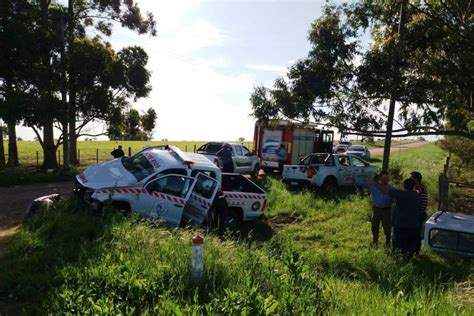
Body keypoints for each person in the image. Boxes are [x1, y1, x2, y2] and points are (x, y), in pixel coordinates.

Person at [376, 178, 422, 258]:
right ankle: (409, 257)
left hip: (401, 224)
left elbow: (385, 190)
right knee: (410, 244)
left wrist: (374, 183)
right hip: (413, 224)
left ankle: (398, 257)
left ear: (404, 186)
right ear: (413, 186)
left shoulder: (400, 193)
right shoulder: (417, 195)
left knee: (398, 244)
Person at [356, 172, 393, 247]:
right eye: (384, 178)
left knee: (387, 227)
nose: (386, 180)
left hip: (387, 210)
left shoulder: (390, 188)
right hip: (376, 209)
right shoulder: (373, 186)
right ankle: (375, 242)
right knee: (375, 226)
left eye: (387, 178)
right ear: (380, 178)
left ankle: (388, 243)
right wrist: (359, 176)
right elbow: (360, 182)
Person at [411, 171, 428, 253]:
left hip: (418, 215)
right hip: (415, 214)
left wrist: (418, 213)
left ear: (416, 179)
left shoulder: (420, 189)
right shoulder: (415, 189)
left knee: (417, 233)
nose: (411, 180)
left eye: (412, 178)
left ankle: (416, 250)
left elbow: (424, 204)